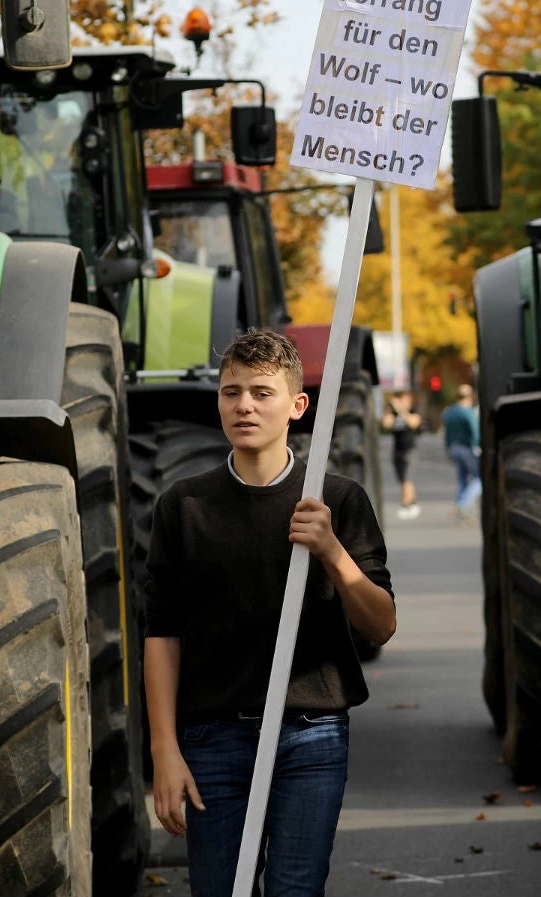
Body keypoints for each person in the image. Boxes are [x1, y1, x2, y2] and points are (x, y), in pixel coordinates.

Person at [144, 328, 396, 897]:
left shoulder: (337, 499)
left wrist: (331, 551)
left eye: (262, 392)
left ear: (297, 405)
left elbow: (380, 625)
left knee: (295, 890)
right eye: (231, 392)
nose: (245, 406)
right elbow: (162, 633)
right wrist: (164, 749)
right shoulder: (184, 505)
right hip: (213, 738)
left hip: (310, 734)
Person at [442, 384, 481, 524]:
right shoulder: (467, 411)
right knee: (479, 479)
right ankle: (462, 505)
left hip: (453, 448)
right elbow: (474, 431)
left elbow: (446, 434)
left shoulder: (449, 412)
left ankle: (460, 515)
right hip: (466, 448)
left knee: (463, 480)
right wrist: (477, 446)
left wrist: (447, 448)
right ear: (470, 397)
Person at [382, 388, 422, 520]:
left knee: (407, 479)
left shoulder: (413, 412)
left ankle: (405, 505)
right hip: (397, 450)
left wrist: (401, 410)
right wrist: (390, 409)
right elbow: (385, 424)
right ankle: (413, 504)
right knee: (402, 480)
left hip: (410, 450)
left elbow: (414, 423)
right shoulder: (394, 413)